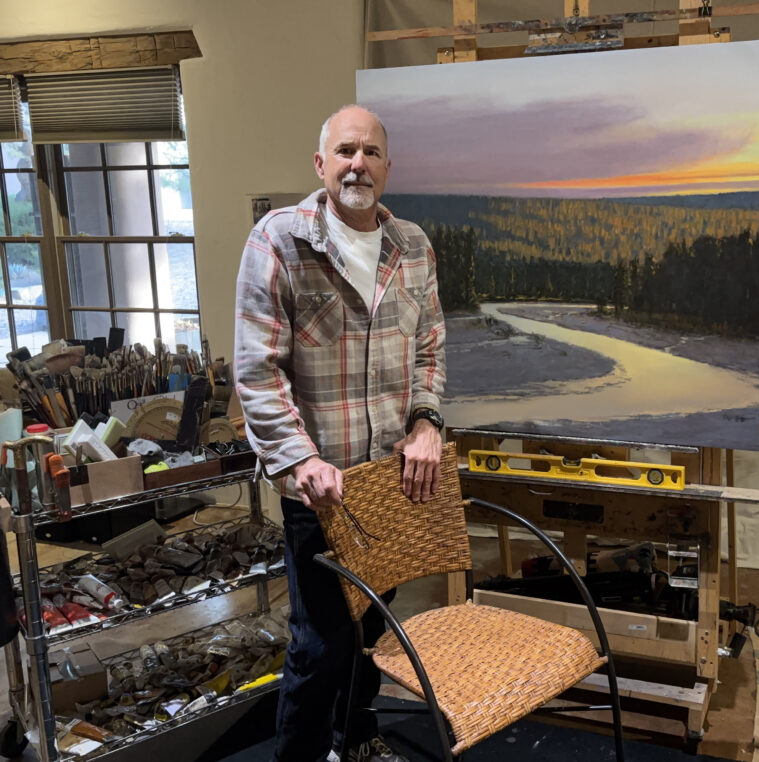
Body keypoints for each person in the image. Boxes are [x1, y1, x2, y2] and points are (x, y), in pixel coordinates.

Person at [234, 105, 446, 762]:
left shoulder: (411, 246)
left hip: (388, 486)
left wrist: (426, 424)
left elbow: (431, 348)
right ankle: (300, 754)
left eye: (372, 152)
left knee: (368, 632)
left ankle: (354, 740)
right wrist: (299, 460)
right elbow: (256, 369)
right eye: (346, 151)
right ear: (321, 164)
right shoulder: (278, 241)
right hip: (319, 495)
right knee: (319, 646)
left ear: (387, 165)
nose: (359, 163)